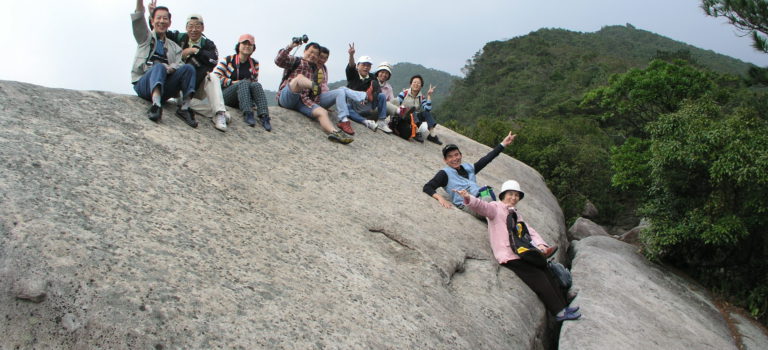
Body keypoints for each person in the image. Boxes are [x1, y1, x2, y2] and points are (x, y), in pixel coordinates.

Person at [454, 181, 581, 322]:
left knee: (546, 271)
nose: (514, 198)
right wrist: (468, 197)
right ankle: (559, 312)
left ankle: (564, 307)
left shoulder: (516, 214)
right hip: (509, 255)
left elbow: (529, 232)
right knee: (539, 277)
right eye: (510, 194)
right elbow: (482, 207)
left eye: (516, 195)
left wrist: (541, 245)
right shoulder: (495, 208)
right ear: (503, 195)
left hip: (521, 252)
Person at [130, 0, 197, 127]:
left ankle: (185, 108)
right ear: (152, 21)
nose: (161, 21)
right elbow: (138, 17)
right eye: (158, 18)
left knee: (189, 68)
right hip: (144, 84)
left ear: (169, 22)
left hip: (165, 87)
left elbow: (180, 65)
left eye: (165, 18)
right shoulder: (145, 37)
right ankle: (156, 105)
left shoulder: (175, 47)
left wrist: (172, 68)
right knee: (159, 66)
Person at [163, 12, 232, 132]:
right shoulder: (179, 37)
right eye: (190, 26)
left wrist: (194, 50)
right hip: (183, 90)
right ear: (186, 27)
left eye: (197, 26)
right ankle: (218, 113)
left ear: (203, 28)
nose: (193, 30)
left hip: (199, 86)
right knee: (183, 102)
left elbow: (213, 60)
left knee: (212, 77)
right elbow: (160, 30)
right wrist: (151, 13)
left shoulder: (207, 44)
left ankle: (219, 114)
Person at [275, 40, 353, 144]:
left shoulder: (316, 70)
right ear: (305, 51)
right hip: (288, 96)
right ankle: (313, 85)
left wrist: (317, 103)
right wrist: (291, 46)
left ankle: (335, 133)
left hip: (303, 100)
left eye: (316, 54)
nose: (312, 55)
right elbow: (279, 60)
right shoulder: (296, 61)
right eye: (310, 52)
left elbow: (315, 95)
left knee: (322, 112)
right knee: (299, 78)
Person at [423, 132, 516, 218]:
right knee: (491, 203)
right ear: (445, 160)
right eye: (450, 157)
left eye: (456, 155)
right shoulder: (444, 173)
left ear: (461, 155)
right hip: (468, 202)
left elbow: (487, 159)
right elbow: (428, 187)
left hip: (480, 197)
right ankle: (503, 218)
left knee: (490, 192)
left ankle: (506, 216)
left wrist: (503, 144)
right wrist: (440, 198)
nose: (454, 158)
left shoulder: (469, 168)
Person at [214, 34, 272, 131]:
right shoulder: (228, 60)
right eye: (244, 43)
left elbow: (254, 82)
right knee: (243, 83)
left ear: (253, 48)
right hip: (226, 95)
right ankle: (248, 113)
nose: (247, 46)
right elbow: (215, 77)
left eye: (250, 44)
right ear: (239, 45)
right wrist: (232, 82)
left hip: (243, 98)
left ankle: (264, 116)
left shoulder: (254, 64)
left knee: (256, 85)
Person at [314, 46, 370, 132]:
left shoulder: (324, 68)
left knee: (342, 89)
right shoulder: (312, 67)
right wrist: (351, 55)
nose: (323, 60)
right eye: (321, 57)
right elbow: (351, 66)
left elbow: (324, 86)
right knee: (341, 91)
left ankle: (365, 96)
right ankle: (344, 120)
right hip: (314, 99)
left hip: (322, 98)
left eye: (325, 58)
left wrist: (328, 100)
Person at [343, 44, 389, 134]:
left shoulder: (372, 77)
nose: (366, 67)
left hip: (368, 104)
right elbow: (351, 66)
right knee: (346, 107)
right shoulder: (353, 75)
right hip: (354, 104)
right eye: (363, 64)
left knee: (382, 96)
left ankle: (381, 121)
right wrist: (351, 55)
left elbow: (377, 91)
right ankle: (365, 121)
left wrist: (368, 97)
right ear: (358, 66)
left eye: (368, 65)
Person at [396, 75, 442, 144]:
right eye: (414, 82)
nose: (416, 84)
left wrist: (429, 95)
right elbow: (396, 104)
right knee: (412, 110)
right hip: (404, 117)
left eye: (418, 83)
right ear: (410, 84)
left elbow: (427, 109)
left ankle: (432, 135)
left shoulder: (421, 97)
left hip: (415, 119)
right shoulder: (404, 93)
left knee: (425, 113)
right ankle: (416, 132)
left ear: (421, 86)